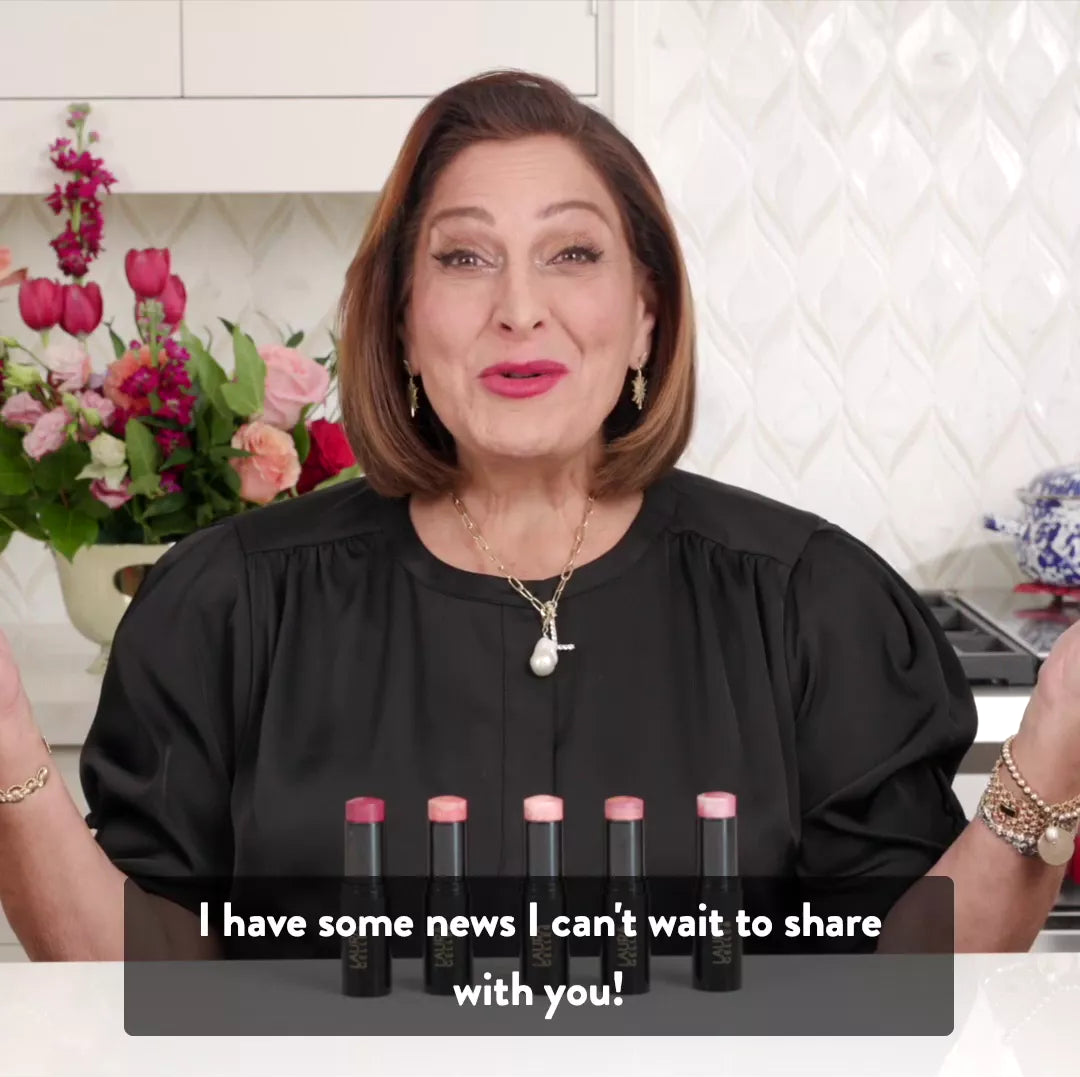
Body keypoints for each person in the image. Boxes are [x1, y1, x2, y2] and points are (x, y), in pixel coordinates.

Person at [1, 71, 1078, 961]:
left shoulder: (811, 603)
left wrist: (1051, 753)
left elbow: (911, 989)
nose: (520, 306)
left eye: (573, 253)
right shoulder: (227, 606)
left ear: (647, 314)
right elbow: (126, 994)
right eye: (464, 258)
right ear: (404, 325)